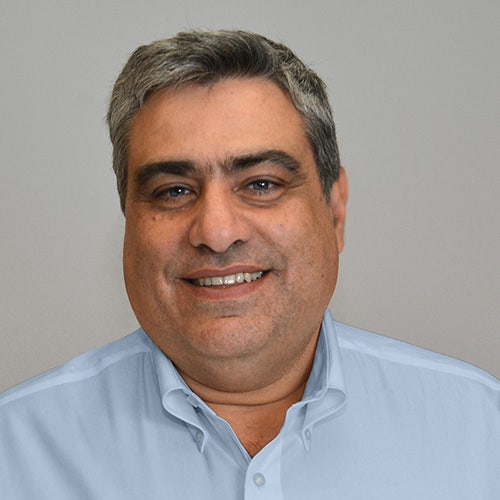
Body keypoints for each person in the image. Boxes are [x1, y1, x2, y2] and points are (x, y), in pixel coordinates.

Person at [1, 30, 499, 499]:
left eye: (261, 184)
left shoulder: (480, 430)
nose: (217, 232)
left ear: (335, 211)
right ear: (129, 221)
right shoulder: (16, 450)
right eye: (173, 191)